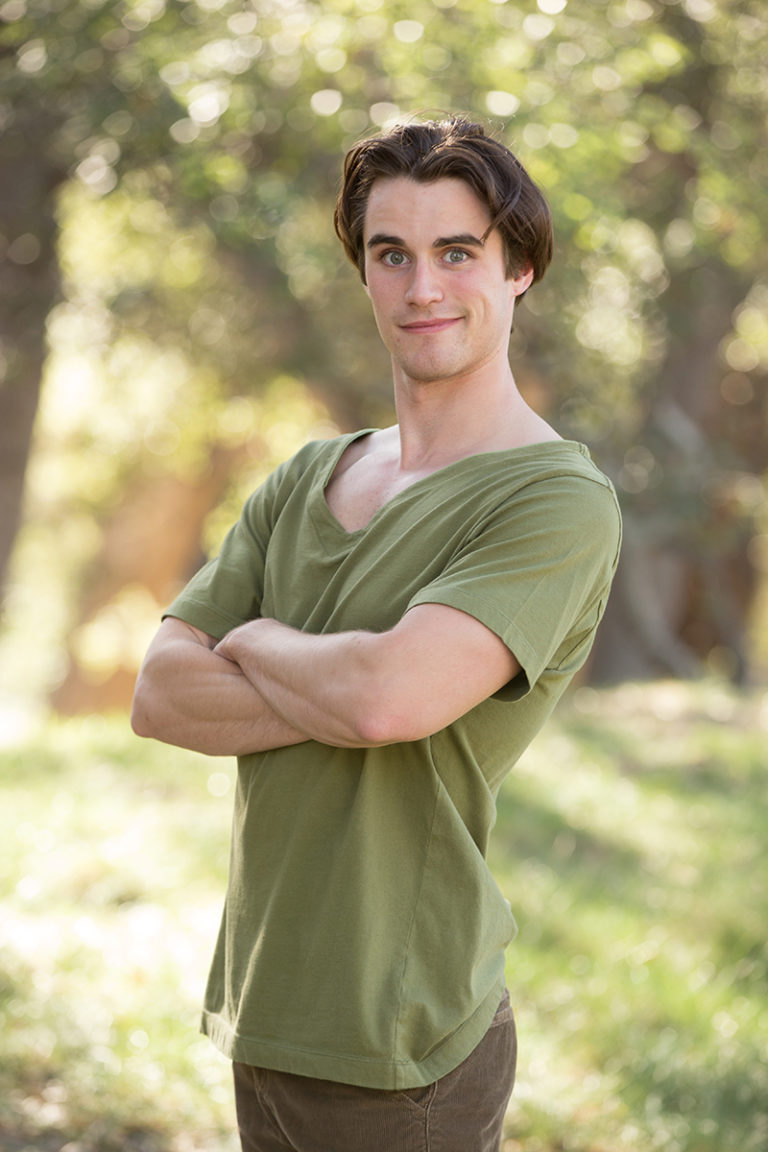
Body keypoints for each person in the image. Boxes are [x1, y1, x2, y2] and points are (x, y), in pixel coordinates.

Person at [131, 116, 622, 1152]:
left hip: (402, 1038)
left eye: (458, 252)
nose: (422, 287)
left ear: (520, 267)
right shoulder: (307, 476)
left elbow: (388, 702)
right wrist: (347, 680)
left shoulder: (553, 501)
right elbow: (162, 696)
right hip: (268, 1007)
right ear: (362, 270)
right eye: (391, 254)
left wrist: (254, 637)